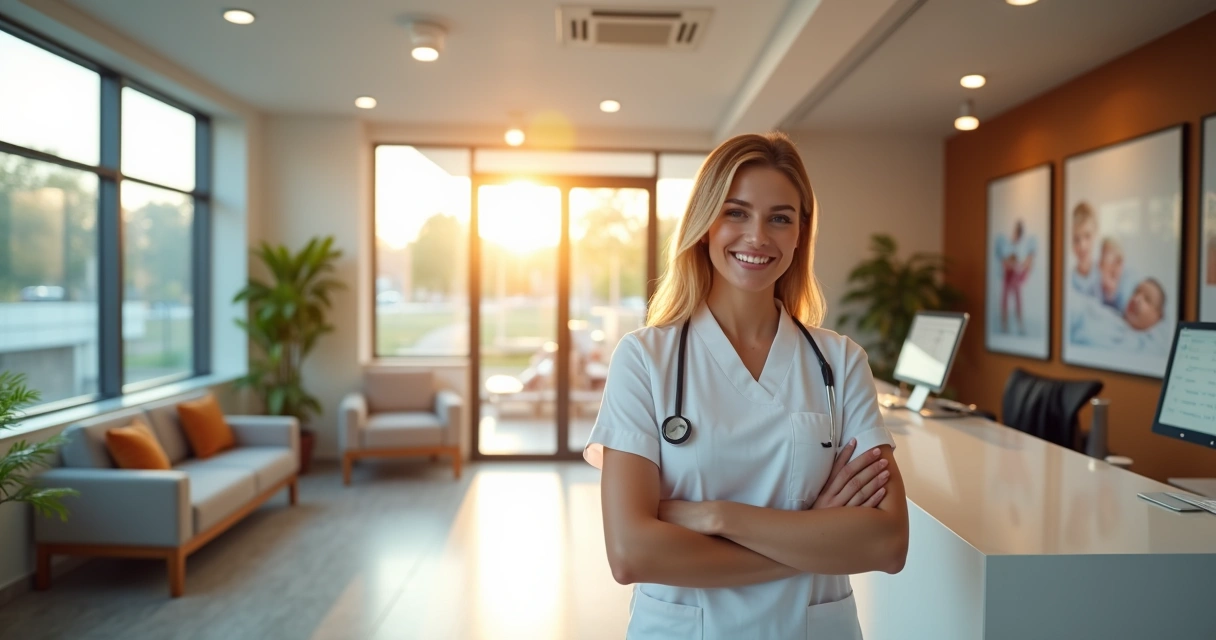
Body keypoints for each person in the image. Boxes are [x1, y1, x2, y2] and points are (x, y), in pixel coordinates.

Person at [583, 132, 908, 639]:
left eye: (780, 217)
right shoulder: (645, 359)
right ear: (704, 224)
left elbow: (886, 543)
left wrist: (715, 516)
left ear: (800, 233)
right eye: (736, 212)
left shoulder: (840, 361)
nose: (757, 236)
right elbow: (631, 553)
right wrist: (812, 537)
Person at [995, 220, 1036, 334]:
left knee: (1018, 300)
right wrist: (1011, 263)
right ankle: (1004, 325)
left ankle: (1020, 325)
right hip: (1008, 275)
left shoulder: (1022, 247)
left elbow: (1025, 263)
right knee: (1005, 300)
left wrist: (1019, 265)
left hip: (1016, 276)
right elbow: (1004, 260)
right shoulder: (1007, 244)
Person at [1071, 202, 1100, 297]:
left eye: (1087, 236)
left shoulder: (1105, 276)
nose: (1082, 245)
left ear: (1095, 233)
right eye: (1076, 239)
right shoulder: (1068, 281)